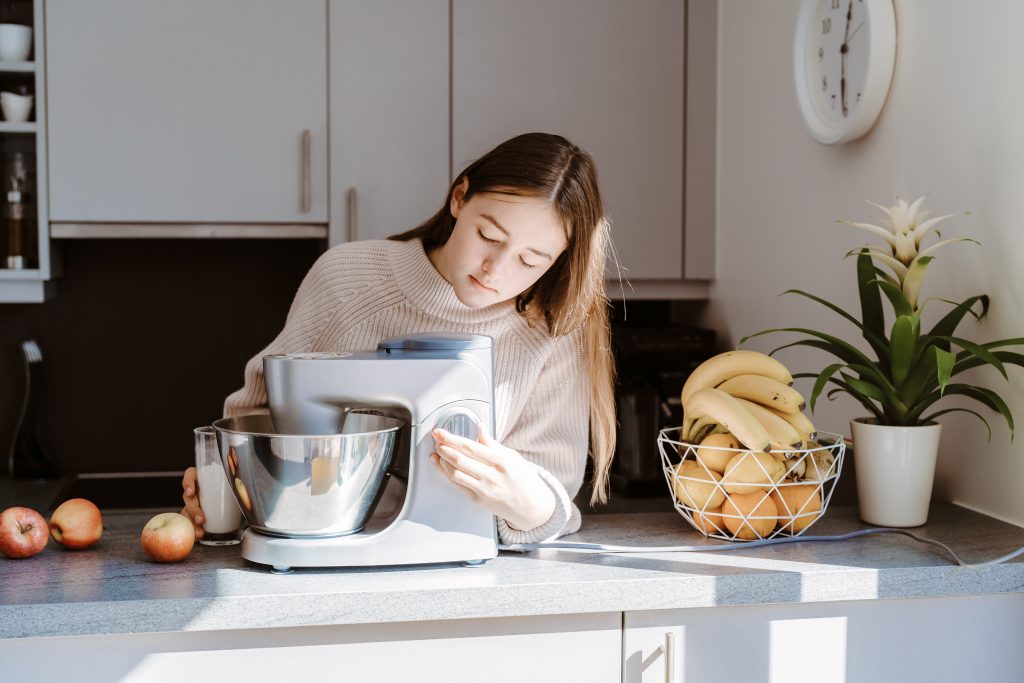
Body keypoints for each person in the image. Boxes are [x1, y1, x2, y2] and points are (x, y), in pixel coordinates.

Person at [181, 132, 616, 544]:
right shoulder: (349, 278)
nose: (496, 270)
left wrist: (526, 502)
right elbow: (259, 414)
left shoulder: (554, 327)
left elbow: (552, 497)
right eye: (488, 236)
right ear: (459, 197)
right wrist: (224, 481)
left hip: (469, 567)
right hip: (325, 543)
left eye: (530, 260)